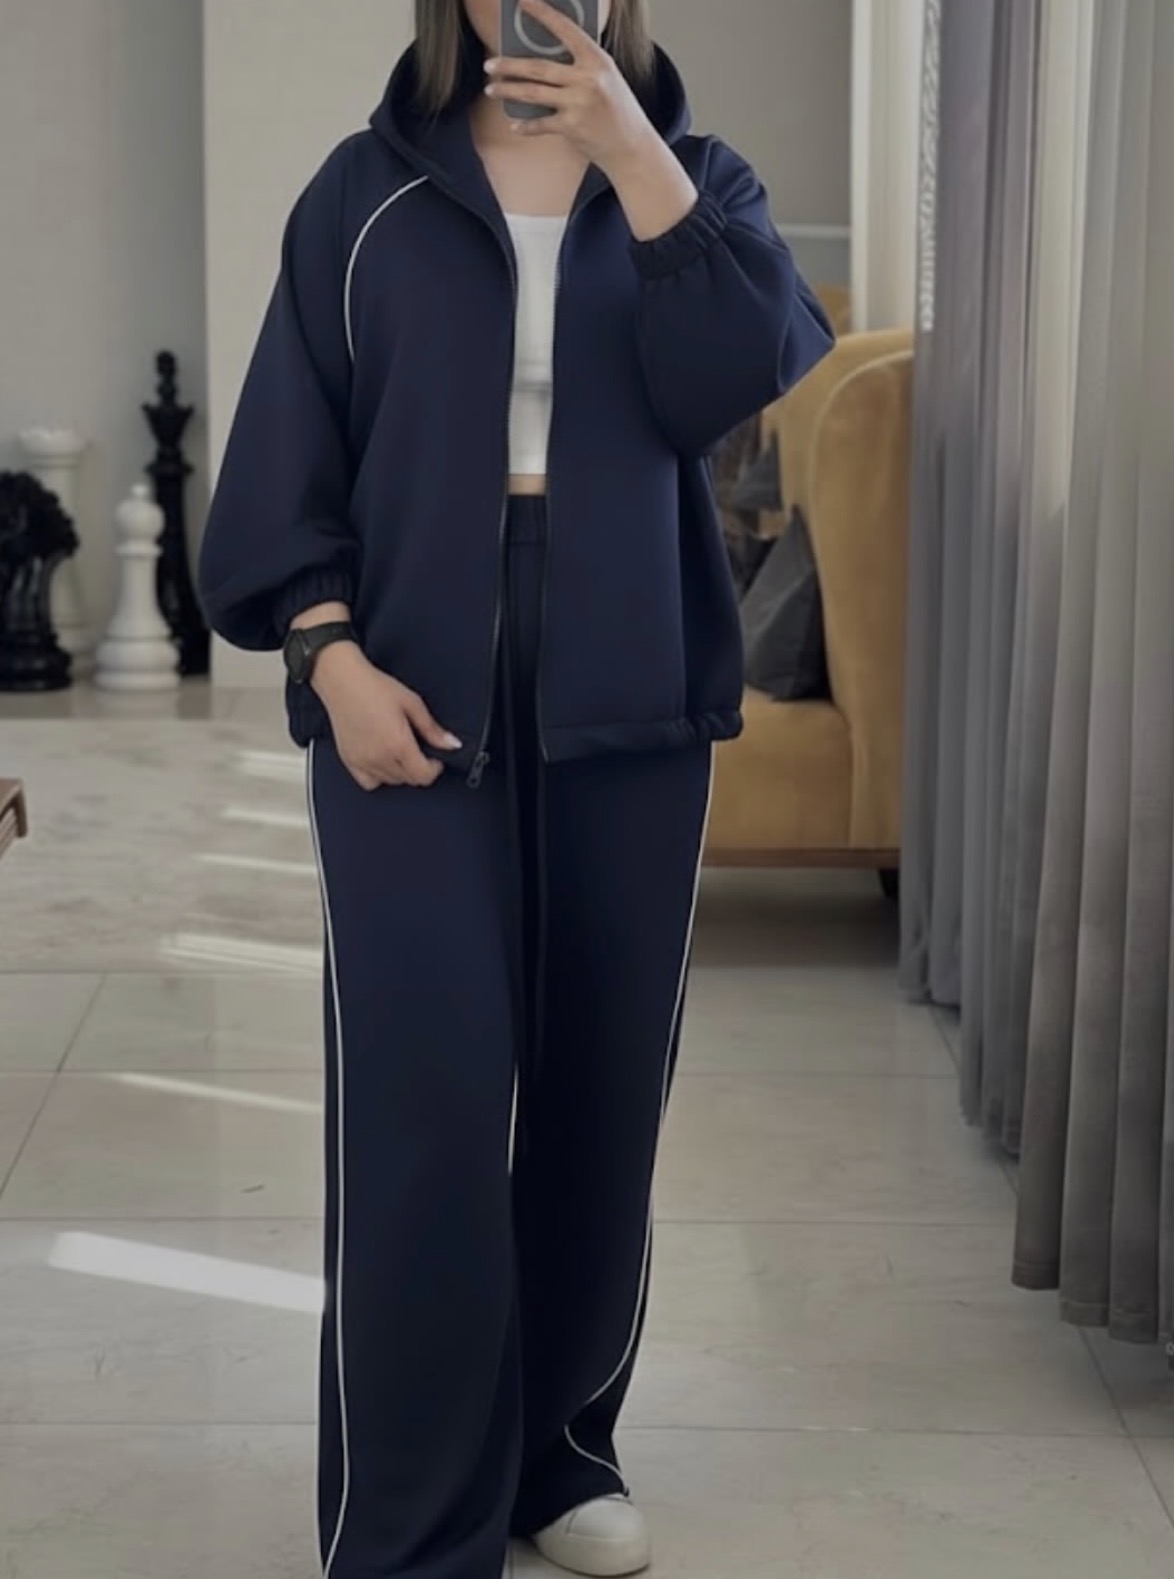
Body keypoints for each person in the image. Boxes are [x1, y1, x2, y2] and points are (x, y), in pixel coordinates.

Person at [198, 1, 832, 1574]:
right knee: (422, 1103)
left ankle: (559, 1456)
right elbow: (286, 460)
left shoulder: (697, 182)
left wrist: (628, 148)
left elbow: (733, 376)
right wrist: (329, 660)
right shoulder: (364, 195)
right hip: (403, 683)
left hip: (633, 685)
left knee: (600, 1099)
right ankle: (413, 1518)